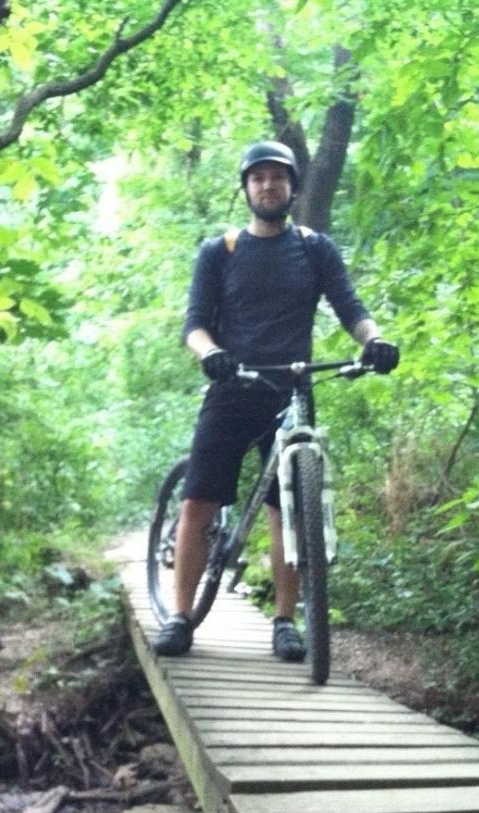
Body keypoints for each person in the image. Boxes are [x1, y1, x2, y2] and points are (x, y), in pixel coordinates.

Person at [151, 140, 400, 659]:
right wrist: (211, 354)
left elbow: (350, 307)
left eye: (278, 177)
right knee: (199, 501)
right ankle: (179, 617)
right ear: (246, 188)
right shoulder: (220, 251)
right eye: (259, 177)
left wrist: (373, 341)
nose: (269, 186)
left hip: (292, 391)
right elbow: (194, 325)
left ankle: (285, 622)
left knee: (287, 509)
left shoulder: (315, 249)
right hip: (232, 387)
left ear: (292, 187)